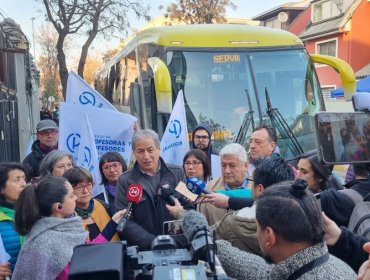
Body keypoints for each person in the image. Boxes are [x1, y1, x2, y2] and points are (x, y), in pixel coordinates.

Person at [215, 179, 356, 280]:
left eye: (257, 226)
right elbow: (265, 273)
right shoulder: (329, 264)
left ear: (270, 237)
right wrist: (213, 245)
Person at [12, 176, 125, 280]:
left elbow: (86, 252)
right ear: (59, 207)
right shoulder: (42, 243)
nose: (75, 198)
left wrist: (113, 223)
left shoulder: (68, 228)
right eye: (71, 196)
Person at [115, 129, 191, 250]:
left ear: (158, 149)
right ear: (134, 153)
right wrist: (153, 242)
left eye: (150, 150)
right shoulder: (125, 181)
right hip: (144, 249)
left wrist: (176, 241)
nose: (146, 156)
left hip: (178, 245)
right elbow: (124, 221)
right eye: (140, 151)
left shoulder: (177, 173)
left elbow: (188, 205)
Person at [213, 157, 295, 255]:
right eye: (223, 165)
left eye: (251, 180)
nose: (227, 170)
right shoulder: (302, 219)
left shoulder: (232, 222)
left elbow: (206, 237)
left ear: (260, 189)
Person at [199, 143, 252, 225]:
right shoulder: (209, 188)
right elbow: (201, 225)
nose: (227, 171)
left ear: (245, 165)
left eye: (232, 165)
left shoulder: (259, 187)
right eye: (223, 165)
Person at [64, 167, 120, 241]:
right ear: (69, 190)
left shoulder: (102, 205)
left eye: (89, 185)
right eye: (79, 187)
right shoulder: (67, 216)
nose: (86, 191)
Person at [0, 163, 27, 272]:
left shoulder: (36, 212)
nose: (23, 184)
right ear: (1, 188)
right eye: (17, 180)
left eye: (24, 179)